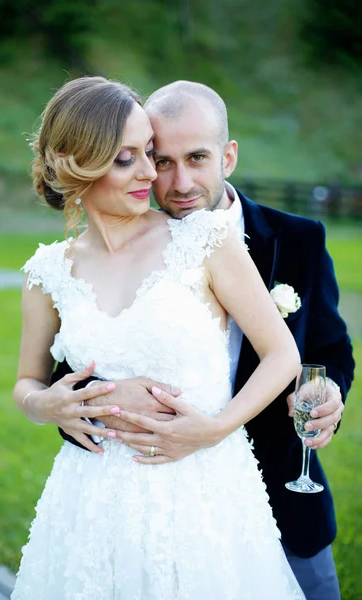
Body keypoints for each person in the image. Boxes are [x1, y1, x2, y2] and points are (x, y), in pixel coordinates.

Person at [52, 81, 355, 600]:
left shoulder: (299, 239)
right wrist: (97, 399)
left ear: (228, 155)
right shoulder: (121, 245)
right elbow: (73, 358)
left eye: (197, 157)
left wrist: (331, 393)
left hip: (282, 482)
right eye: (160, 159)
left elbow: (327, 350)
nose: (179, 181)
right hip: (159, 487)